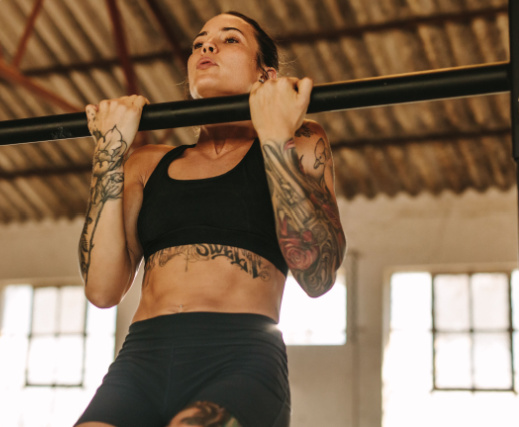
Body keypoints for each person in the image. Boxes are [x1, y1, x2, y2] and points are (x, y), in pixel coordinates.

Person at [75, 10, 346, 427]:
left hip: (239, 359)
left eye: (230, 39)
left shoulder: (301, 141)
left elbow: (318, 275)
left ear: (265, 76)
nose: (206, 46)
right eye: (199, 41)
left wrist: (274, 134)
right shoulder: (146, 163)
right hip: (141, 360)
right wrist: (109, 154)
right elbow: (103, 289)